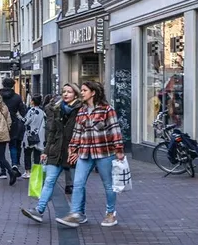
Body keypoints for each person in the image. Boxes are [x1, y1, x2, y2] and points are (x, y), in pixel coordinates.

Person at [57, 81, 125, 229]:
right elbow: (77, 132)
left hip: (104, 152)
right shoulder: (81, 111)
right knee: (78, 183)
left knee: (108, 185)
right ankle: (75, 214)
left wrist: (119, 150)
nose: (82, 93)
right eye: (81, 90)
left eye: (84, 90)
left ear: (93, 92)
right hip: (85, 153)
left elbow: (115, 130)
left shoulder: (107, 110)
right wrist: (72, 149)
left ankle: (110, 213)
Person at [23, 84, 79, 223]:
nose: (65, 94)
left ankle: (78, 213)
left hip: (73, 151)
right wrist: (46, 151)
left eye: (69, 92)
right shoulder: (58, 109)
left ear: (76, 95)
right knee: (49, 181)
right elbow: (52, 131)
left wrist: (79, 149)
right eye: (64, 91)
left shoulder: (80, 110)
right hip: (56, 151)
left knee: (78, 185)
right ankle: (39, 210)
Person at [0, 79, 26, 172]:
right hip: (13, 123)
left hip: (0, 122)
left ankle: (2, 170)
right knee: (13, 145)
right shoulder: (17, 97)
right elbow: (23, 111)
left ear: (3, 84)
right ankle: (14, 164)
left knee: (0, 147)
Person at [22, 95, 46, 178]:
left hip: (30, 135)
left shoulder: (31, 111)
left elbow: (25, 121)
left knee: (27, 154)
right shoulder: (43, 112)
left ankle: (27, 172)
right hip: (39, 136)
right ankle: (36, 173)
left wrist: (18, 116)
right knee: (37, 155)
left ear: (32, 101)